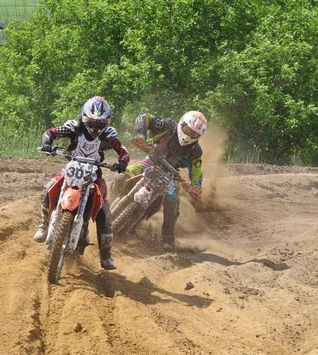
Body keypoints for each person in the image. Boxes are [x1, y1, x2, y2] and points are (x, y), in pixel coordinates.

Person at [34, 96, 129, 270]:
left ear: (106, 123)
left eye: (100, 124)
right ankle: (44, 224)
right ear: (84, 117)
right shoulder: (74, 127)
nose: (95, 128)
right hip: (72, 168)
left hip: (95, 175)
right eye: (92, 122)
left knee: (105, 212)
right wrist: (47, 144)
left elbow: (123, 151)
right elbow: (50, 132)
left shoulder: (109, 135)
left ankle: (106, 254)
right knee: (49, 187)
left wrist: (122, 163)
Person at [114, 111, 207, 249]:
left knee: (173, 199)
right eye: (187, 130)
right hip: (150, 163)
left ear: (199, 136)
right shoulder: (167, 126)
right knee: (122, 176)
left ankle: (168, 237)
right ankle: (108, 203)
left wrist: (196, 187)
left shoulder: (195, 151)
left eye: (194, 134)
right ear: (182, 123)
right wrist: (142, 136)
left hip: (170, 176)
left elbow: (197, 173)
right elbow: (144, 118)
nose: (189, 135)